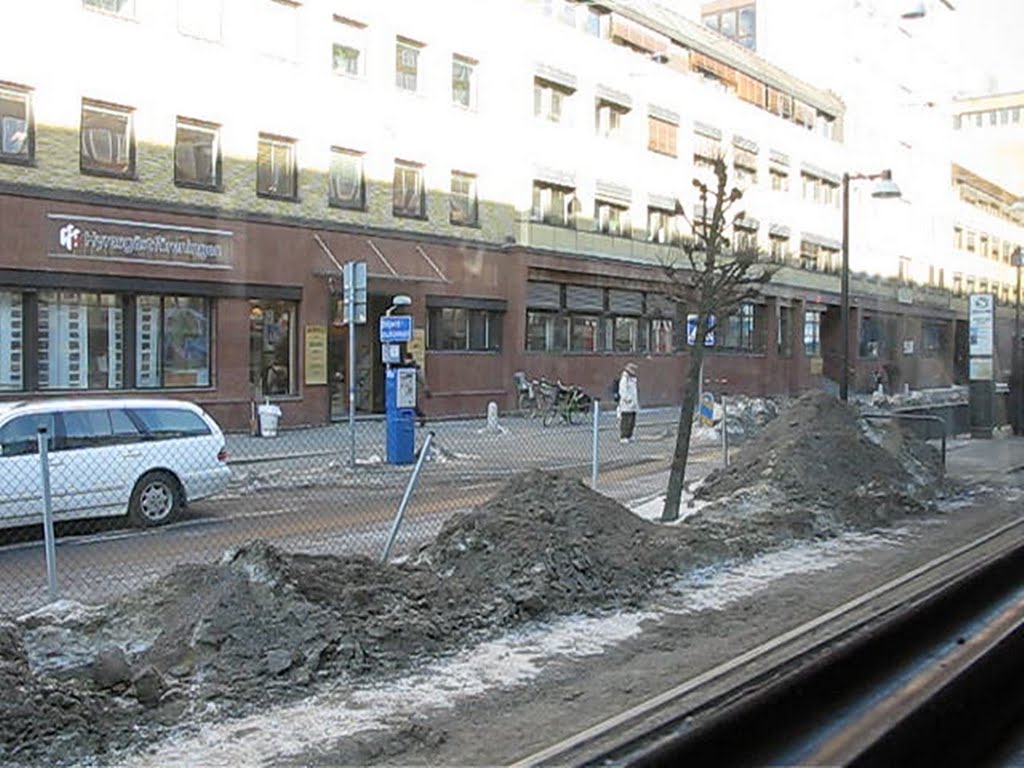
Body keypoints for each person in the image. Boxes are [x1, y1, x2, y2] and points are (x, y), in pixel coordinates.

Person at [403, 353, 431, 427]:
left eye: (406, 359)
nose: (405, 361)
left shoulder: (415, 367)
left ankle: (422, 417)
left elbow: (421, 378)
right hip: (407, 389)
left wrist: (425, 387)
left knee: (414, 405)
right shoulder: (406, 367)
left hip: (413, 389)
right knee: (411, 405)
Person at [616, 362, 639, 443]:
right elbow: (622, 390)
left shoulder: (633, 379)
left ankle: (630, 435)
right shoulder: (625, 379)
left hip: (633, 403)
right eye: (633, 369)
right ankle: (624, 436)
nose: (635, 371)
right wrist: (628, 399)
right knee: (626, 420)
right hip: (627, 404)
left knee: (632, 420)